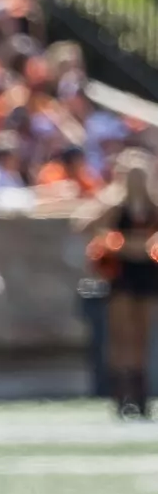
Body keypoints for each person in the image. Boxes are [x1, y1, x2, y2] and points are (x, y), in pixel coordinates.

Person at [77, 152, 158, 419]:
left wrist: (144, 247)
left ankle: (141, 395)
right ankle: (122, 395)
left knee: (141, 337)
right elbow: (84, 225)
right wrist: (117, 242)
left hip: (146, 275)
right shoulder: (115, 205)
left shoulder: (153, 205)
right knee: (121, 337)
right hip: (122, 275)